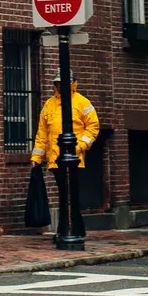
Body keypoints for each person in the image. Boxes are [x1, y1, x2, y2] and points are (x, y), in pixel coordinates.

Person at [31, 71, 100, 224]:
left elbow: (93, 127)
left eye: (62, 83)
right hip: (55, 159)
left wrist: (80, 146)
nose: (60, 86)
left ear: (72, 83)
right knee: (64, 194)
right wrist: (36, 157)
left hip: (73, 159)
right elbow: (42, 133)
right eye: (57, 83)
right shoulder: (49, 104)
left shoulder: (82, 103)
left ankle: (71, 227)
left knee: (70, 195)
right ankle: (69, 227)